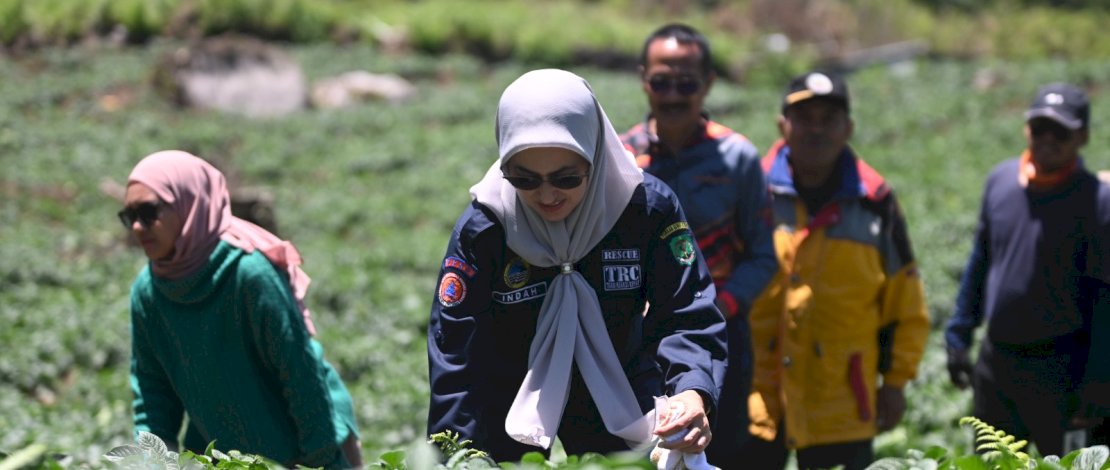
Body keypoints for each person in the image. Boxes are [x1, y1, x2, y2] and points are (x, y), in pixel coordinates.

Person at [426, 69, 728, 463]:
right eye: (524, 179)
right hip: (508, 396)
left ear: (595, 157)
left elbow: (686, 312)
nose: (547, 195)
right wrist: (459, 455)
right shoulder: (486, 228)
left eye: (567, 178)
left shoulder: (643, 209)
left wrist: (692, 390)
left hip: (621, 384)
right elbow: (457, 353)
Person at [122, 150, 362, 468]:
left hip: (310, 440)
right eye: (129, 216)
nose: (138, 227)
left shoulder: (248, 275)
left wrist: (321, 460)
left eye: (148, 212)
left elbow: (300, 374)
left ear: (188, 204)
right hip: (227, 452)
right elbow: (153, 394)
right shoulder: (148, 293)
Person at [742, 71, 930, 470]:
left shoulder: (875, 202)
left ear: (848, 128)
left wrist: (895, 383)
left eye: (828, 119)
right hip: (755, 395)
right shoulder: (750, 192)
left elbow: (905, 300)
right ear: (782, 125)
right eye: (804, 118)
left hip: (842, 401)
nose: (816, 129)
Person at [620, 22, 777, 467]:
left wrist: (717, 307)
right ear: (643, 80)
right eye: (661, 82)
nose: (673, 95)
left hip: (721, 334)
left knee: (719, 451)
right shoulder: (620, 158)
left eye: (686, 83)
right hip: (636, 341)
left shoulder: (736, 157)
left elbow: (764, 256)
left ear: (708, 83)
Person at [945, 83, 1110, 456]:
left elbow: (1105, 300)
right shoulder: (1000, 182)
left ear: (1082, 136)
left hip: (1063, 369)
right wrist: (959, 333)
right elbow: (981, 260)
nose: (1047, 139)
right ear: (1026, 129)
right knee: (993, 462)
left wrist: (1100, 381)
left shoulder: (1097, 201)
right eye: (1040, 128)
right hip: (998, 364)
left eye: (1060, 132)